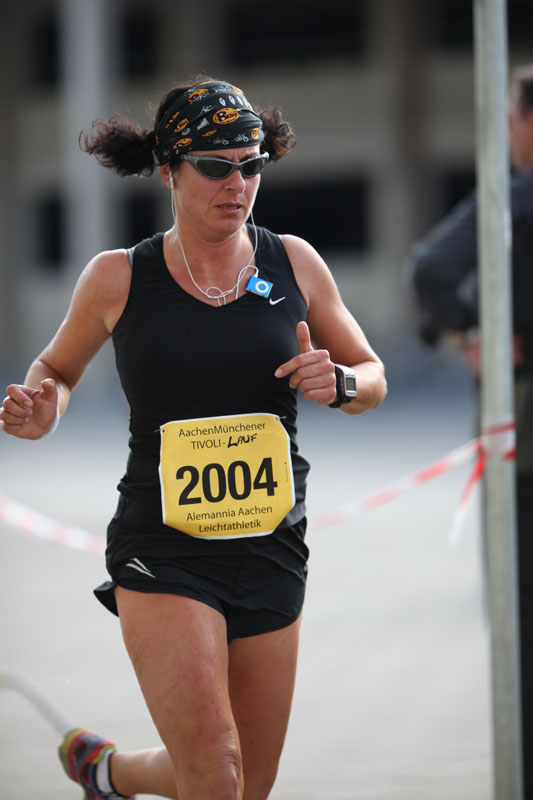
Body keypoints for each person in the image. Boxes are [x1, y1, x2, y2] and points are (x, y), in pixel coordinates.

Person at [0, 77, 387, 800]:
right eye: (215, 166)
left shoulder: (293, 262)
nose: (237, 184)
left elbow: (372, 376)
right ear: (169, 170)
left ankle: (109, 773)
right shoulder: (118, 276)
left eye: (251, 165)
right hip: (164, 545)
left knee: (246, 784)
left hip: (271, 541)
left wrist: (340, 383)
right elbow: (55, 371)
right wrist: (41, 409)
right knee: (217, 772)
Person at [409, 64, 533, 798]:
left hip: (521, 434)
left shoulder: (512, 199)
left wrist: (468, 331)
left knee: (519, 612)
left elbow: (430, 269)